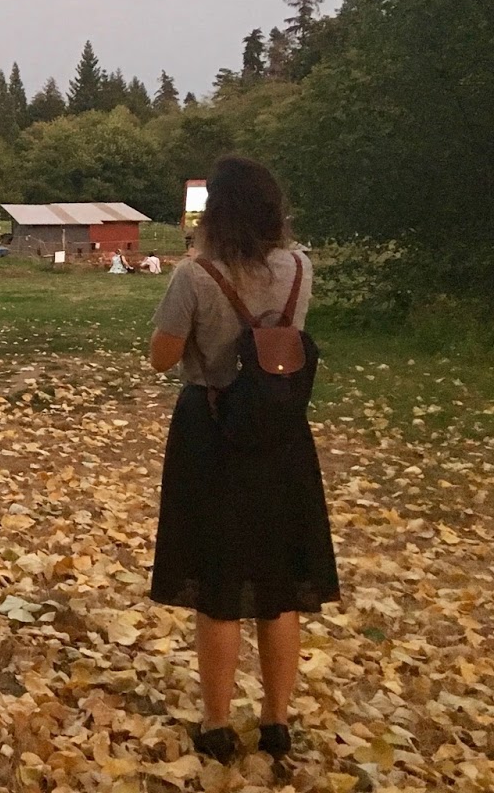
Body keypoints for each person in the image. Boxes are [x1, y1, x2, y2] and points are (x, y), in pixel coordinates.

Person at [147, 156, 338, 763]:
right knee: (278, 584)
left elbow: (161, 357)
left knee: (220, 581)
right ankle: (277, 721)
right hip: (282, 434)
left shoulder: (195, 274)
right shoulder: (300, 267)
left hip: (212, 433)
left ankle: (217, 725)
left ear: (217, 212)